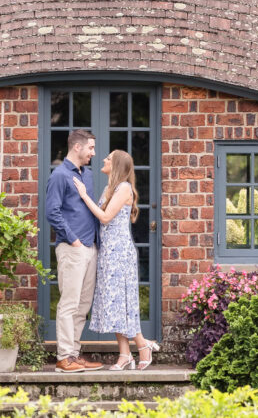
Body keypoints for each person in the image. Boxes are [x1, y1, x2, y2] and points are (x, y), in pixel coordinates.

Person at [72, 149, 160, 370]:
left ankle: (138, 347)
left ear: (117, 165)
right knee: (114, 304)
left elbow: (104, 217)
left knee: (122, 302)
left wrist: (83, 195)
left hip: (119, 253)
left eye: (109, 158)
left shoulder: (124, 188)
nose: (104, 159)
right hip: (108, 252)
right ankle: (127, 353)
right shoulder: (110, 188)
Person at [44, 128, 104, 373]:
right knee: (69, 303)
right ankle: (63, 357)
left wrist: (92, 244)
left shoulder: (87, 175)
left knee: (82, 305)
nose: (93, 152)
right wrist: (75, 240)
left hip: (90, 247)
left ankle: (74, 354)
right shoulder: (59, 175)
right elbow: (52, 212)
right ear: (77, 147)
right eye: (90, 147)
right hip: (72, 248)